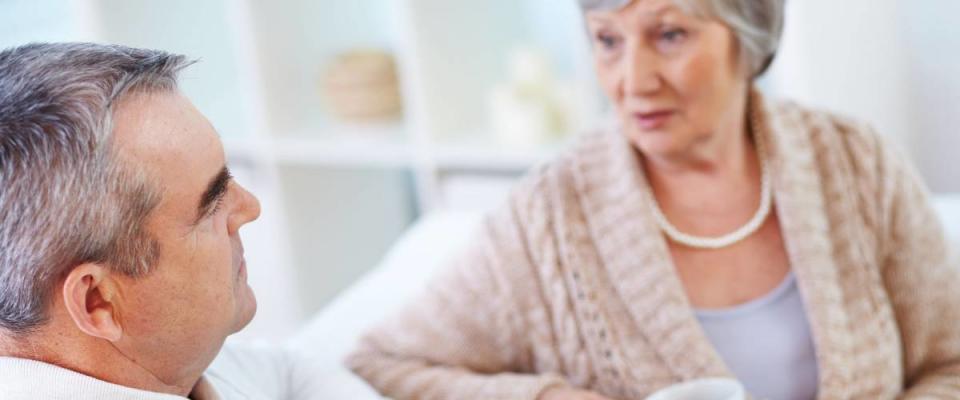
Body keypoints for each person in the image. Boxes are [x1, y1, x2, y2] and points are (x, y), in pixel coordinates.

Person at [347, 1, 960, 399]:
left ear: (748, 40)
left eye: (670, 35)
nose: (633, 80)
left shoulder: (856, 163)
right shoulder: (550, 216)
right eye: (607, 41)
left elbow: (949, 363)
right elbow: (382, 363)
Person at [0, 42, 301, 399]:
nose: (250, 207)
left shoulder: (167, 354)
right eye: (211, 205)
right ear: (98, 301)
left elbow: (289, 368)